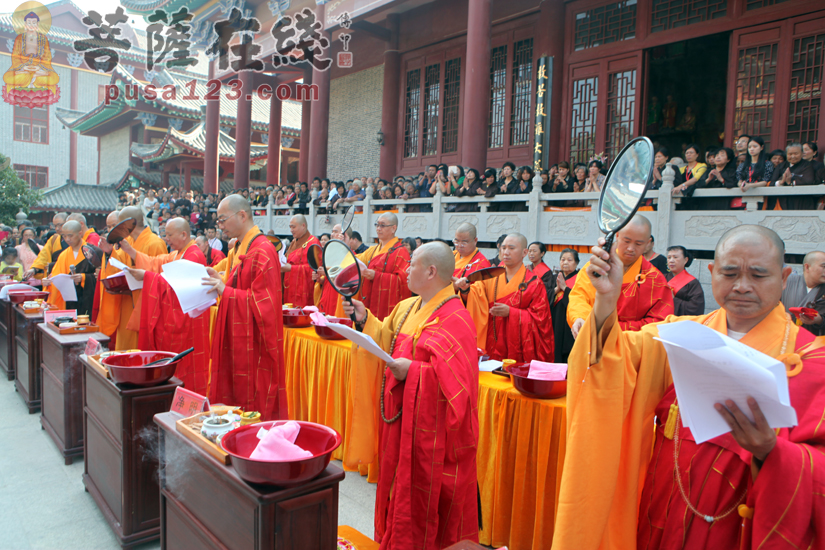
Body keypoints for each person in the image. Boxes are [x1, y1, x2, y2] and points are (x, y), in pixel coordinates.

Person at [552, 225, 825, 550]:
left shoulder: (812, 358)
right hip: (663, 505)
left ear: (784, 277)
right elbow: (608, 362)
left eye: (758, 275)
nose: (742, 286)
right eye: (729, 273)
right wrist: (607, 301)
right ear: (712, 272)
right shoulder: (680, 336)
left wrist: (771, 452)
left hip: (740, 525)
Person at [343, 242, 479, 549]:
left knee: (424, 503)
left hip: (432, 438)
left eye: (412, 264)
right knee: (396, 490)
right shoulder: (407, 307)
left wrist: (414, 372)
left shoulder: (456, 319)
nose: (406, 269)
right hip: (401, 423)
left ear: (431, 271)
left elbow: (460, 390)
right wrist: (365, 320)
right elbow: (387, 344)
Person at [201, 195, 286, 420]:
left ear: (242, 215)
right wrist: (220, 280)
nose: (220, 226)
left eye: (222, 220)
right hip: (240, 336)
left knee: (253, 404)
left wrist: (225, 291)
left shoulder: (263, 250)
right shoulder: (243, 247)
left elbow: (265, 304)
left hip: (255, 346)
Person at [120, 218, 210, 394]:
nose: (165, 238)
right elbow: (156, 262)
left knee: (186, 365)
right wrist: (130, 250)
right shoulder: (179, 253)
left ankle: (185, 396)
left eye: (169, 235)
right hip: (177, 320)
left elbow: (175, 285)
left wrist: (146, 276)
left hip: (187, 322)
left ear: (183, 234)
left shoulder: (194, 255)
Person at [568, 215, 674, 337]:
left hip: (632, 349)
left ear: (648, 243)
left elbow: (660, 322)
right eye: (627, 241)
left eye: (638, 244)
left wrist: (612, 329)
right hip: (593, 339)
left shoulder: (655, 279)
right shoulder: (596, 267)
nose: (630, 248)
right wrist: (580, 317)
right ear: (617, 235)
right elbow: (578, 296)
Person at [458, 233, 554, 362]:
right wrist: (465, 290)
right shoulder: (490, 275)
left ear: (524, 252)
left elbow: (541, 322)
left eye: (511, 248)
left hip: (517, 348)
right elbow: (473, 297)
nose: (506, 252)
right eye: (503, 248)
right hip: (490, 343)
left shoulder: (534, 283)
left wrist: (512, 313)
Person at [111, 207, 168, 350]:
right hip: (128, 301)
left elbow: (161, 277)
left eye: (118, 225)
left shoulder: (155, 243)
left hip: (146, 304)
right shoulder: (127, 243)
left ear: (129, 225)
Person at [356, 213, 411, 320]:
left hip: (387, 308)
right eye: (377, 225)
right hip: (369, 301)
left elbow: (404, 281)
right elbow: (354, 260)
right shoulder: (372, 250)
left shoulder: (401, 252)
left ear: (393, 228)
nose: (378, 228)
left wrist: (376, 276)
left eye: (382, 225)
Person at [43, 221, 96, 315]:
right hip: (66, 302)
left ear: (80, 233)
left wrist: (84, 278)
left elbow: (99, 277)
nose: (67, 239)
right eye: (64, 236)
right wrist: (48, 282)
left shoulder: (92, 252)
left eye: (70, 236)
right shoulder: (63, 255)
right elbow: (55, 277)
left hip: (85, 301)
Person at [781, 250, 825, 336]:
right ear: (807, 267)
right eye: (823, 266)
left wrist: (819, 320)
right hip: (784, 337)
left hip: (813, 343)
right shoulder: (787, 282)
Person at [281, 214, 320, 308]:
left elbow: (317, 270)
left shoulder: (313, 243)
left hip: (305, 293)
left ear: (303, 226)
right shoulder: (294, 242)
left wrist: (292, 269)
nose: (291, 230)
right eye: (290, 227)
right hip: (289, 289)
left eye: (293, 227)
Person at [550, 248, 579, 363]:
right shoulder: (554, 278)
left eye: (569, 260)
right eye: (562, 259)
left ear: (576, 263)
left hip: (569, 324)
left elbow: (580, 300)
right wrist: (557, 289)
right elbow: (544, 297)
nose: (565, 262)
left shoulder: (580, 279)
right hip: (555, 321)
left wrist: (565, 289)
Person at [774, 143, 819, 210]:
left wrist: (791, 181)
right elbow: (772, 181)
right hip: (783, 202)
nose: (793, 156)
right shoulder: (781, 166)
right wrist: (781, 182)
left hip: (802, 202)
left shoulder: (807, 165)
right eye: (790, 154)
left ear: (802, 153)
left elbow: (808, 181)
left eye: (796, 154)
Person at [23, 212, 67, 280]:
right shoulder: (53, 239)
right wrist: (34, 269)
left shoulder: (76, 239)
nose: (57, 228)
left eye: (60, 225)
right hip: (53, 275)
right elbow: (43, 256)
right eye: (55, 226)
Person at [666, 245, 705, 316]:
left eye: (675, 257)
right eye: (669, 257)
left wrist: (674, 300)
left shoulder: (693, 283)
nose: (671, 260)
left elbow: (696, 308)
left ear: (685, 260)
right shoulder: (662, 278)